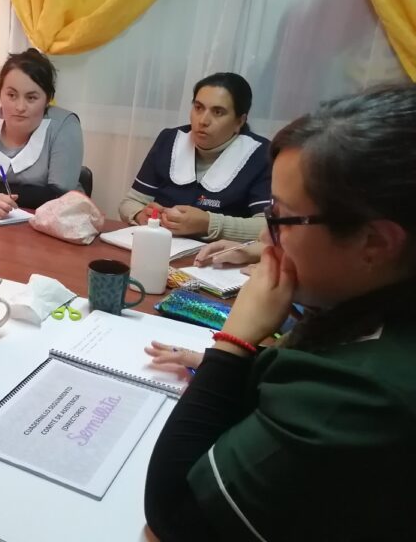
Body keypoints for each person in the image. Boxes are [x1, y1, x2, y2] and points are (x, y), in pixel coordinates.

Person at [143, 84, 416, 541]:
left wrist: (233, 345)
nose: (266, 240)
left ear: (375, 243)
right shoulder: (372, 310)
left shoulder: (364, 397)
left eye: (282, 219)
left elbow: (173, 515)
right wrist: (244, 367)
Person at [119, 72, 271, 241]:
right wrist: (141, 214)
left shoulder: (261, 155)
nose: (203, 121)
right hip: (162, 246)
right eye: (198, 108)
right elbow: (130, 202)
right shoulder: (169, 140)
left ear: (239, 121)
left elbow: (270, 227)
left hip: (219, 254)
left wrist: (209, 224)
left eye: (218, 112)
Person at [0, 48, 84, 219]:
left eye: (31, 98)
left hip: (52, 225)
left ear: (48, 99)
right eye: (11, 95)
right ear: (0, 94)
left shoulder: (65, 126)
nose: (20, 107)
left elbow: (59, 196)